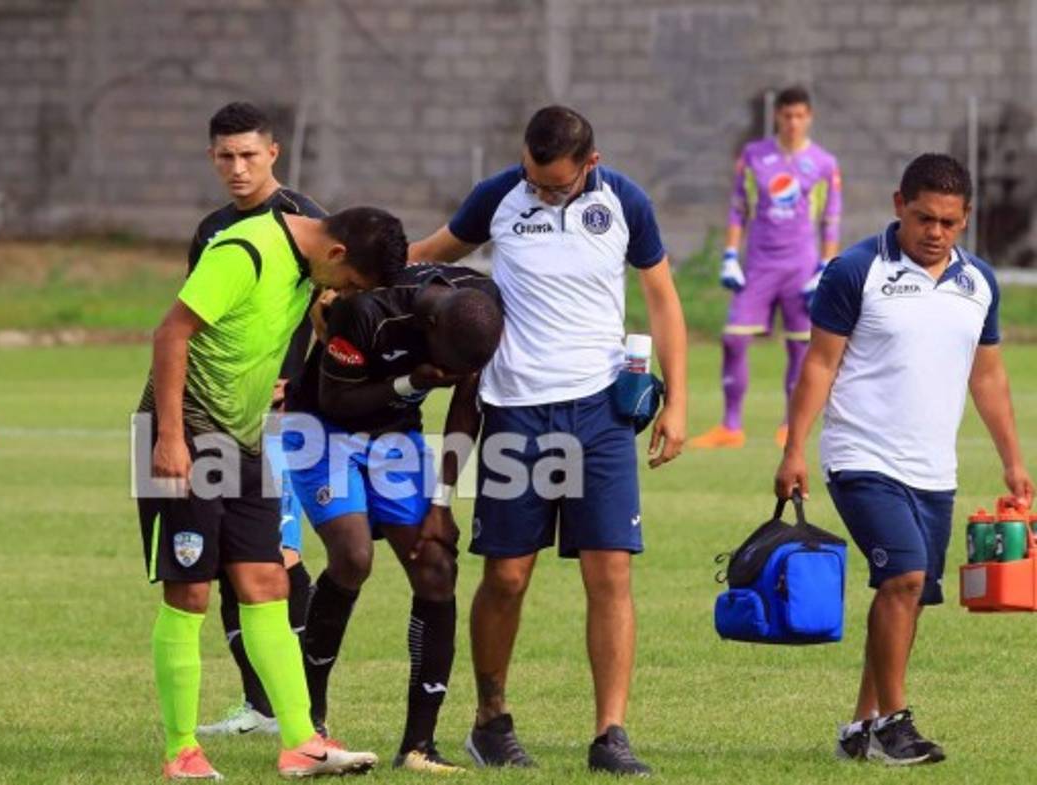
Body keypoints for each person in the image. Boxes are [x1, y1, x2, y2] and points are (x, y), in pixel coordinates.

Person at [408, 105, 688, 776]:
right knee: (505, 577)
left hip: (600, 414)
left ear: (589, 164)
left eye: (555, 183)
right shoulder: (499, 196)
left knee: (610, 573)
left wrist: (679, 400)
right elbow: (423, 259)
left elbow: (664, 300)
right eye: (533, 176)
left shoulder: (624, 201)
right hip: (515, 412)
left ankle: (610, 734)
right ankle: (490, 720)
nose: (541, 188)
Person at [775, 153, 1033, 765]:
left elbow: (989, 378)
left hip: (933, 469)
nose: (934, 232)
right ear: (898, 205)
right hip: (860, 455)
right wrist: (793, 448)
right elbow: (818, 364)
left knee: (908, 595)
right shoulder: (855, 271)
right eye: (923, 218)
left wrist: (1013, 460)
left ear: (965, 219)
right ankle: (895, 724)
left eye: (947, 222)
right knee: (905, 577)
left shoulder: (980, 284)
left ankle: (861, 727)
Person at [138, 204, 406, 779]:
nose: (346, 294)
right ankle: (181, 750)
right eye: (351, 282)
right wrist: (167, 438)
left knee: (267, 583)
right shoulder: (247, 251)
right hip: (185, 432)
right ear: (336, 255)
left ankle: (301, 742)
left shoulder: (308, 267)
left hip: (245, 437)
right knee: (190, 593)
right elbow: (171, 332)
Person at [140, 100, 326, 738]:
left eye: (249, 155)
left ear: (274, 152)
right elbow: (197, 326)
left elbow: (324, 313)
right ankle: (257, 707)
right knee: (218, 565)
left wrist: (293, 379)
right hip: (211, 417)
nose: (238, 168)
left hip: (275, 417)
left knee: (280, 556)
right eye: (226, 157)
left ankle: (296, 716)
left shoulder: (305, 223)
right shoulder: (215, 230)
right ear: (212, 158)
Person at [282, 263, 503, 773]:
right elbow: (336, 398)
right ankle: (308, 723)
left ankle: (419, 747)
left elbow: (466, 405)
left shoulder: (478, 310)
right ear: (430, 330)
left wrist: (442, 503)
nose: (452, 377)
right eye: (447, 367)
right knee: (353, 557)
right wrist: (412, 381)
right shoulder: (367, 310)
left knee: (435, 566)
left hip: (396, 436)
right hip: (323, 427)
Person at [692, 85, 841, 450]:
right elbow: (738, 208)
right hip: (759, 264)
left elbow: (832, 218)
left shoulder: (824, 163)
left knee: (800, 348)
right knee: (733, 338)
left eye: (799, 116)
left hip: (801, 267)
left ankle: (791, 425)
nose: (792, 122)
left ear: (809, 118)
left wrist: (826, 265)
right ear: (777, 116)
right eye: (787, 115)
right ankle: (730, 426)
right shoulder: (754, 155)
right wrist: (730, 254)